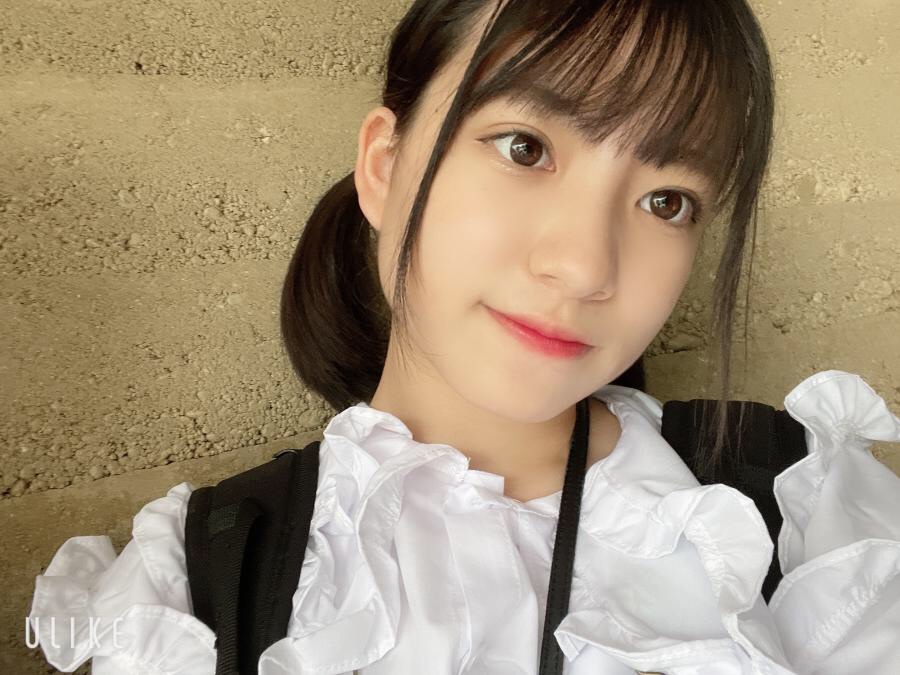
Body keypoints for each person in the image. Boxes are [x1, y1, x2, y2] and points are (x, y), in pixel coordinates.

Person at [28, 1, 900, 673]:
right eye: (524, 147)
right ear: (384, 166)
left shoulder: (799, 514)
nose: (584, 266)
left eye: (665, 200)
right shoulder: (201, 582)